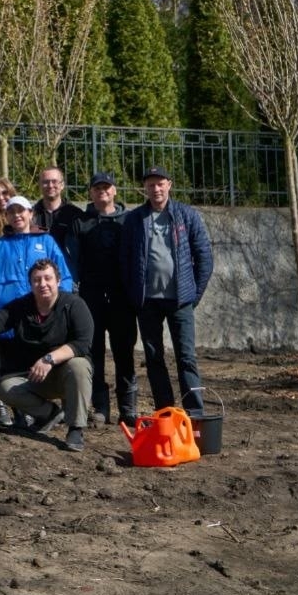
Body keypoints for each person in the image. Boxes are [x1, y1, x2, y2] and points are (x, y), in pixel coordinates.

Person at [0, 259, 93, 452]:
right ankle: (49, 413)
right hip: (35, 377)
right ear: (30, 284)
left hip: (65, 375)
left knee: (79, 365)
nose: (43, 284)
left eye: (48, 278)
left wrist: (49, 359)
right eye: (37, 280)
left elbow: (83, 343)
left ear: (58, 280)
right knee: (5, 387)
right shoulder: (22, 306)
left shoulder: (74, 305)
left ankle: (76, 428)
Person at [0, 194, 73, 427]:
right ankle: (16, 410)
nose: (17, 216)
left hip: (40, 320)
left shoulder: (46, 242)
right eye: (12, 212)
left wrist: (60, 306)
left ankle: (49, 411)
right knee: (9, 370)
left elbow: (63, 278)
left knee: (39, 366)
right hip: (8, 321)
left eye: (21, 211)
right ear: (6, 216)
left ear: (30, 214)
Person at [120, 167, 213, 415]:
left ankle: (194, 413)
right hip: (147, 302)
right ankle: (166, 411)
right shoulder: (135, 219)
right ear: (145, 189)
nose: (156, 189)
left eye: (160, 184)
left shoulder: (186, 215)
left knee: (186, 358)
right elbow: (125, 260)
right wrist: (134, 294)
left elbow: (204, 256)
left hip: (180, 301)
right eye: (151, 185)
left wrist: (194, 294)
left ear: (169, 185)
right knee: (154, 359)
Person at [68, 172, 138, 426]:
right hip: (91, 299)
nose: (102, 192)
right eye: (97, 188)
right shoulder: (81, 222)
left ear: (115, 191)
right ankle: (101, 407)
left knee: (124, 354)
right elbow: (72, 262)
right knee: (93, 354)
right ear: (91, 193)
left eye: (107, 188)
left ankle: (128, 407)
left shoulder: (130, 220)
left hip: (122, 300)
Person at [31, 167, 85, 253]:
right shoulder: (31, 215)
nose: (50, 185)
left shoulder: (76, 215)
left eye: (54, 181)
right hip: (39, 265)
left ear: (62, 185)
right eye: (46, 182)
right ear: (40, 185)